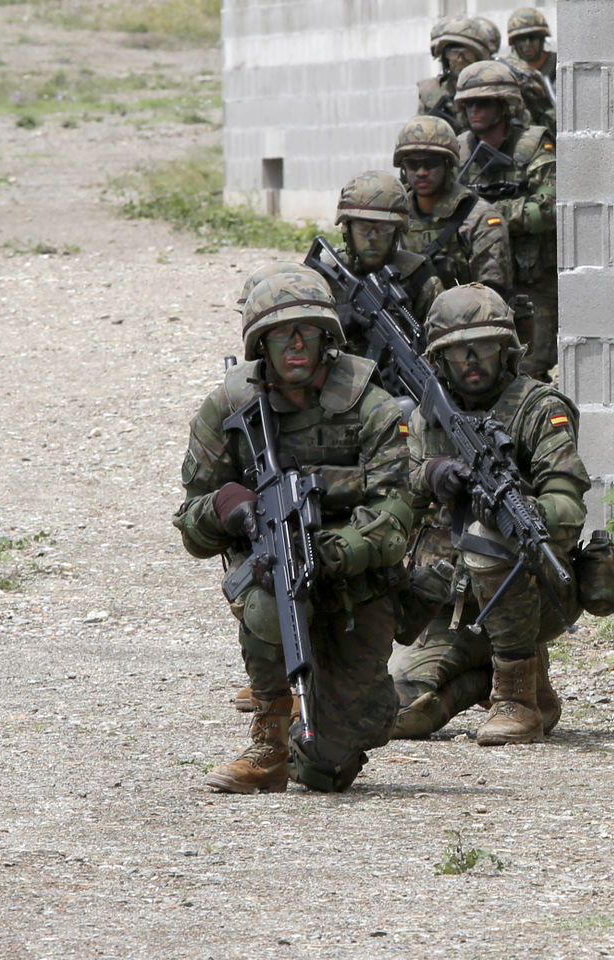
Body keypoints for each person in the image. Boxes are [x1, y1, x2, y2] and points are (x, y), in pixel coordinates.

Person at [173, 268, 415, 793]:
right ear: (262, 343)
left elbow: (396, 516)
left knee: (330, 769)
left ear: (329, 337)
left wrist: (334, 551)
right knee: (265, 597)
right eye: (282, 333)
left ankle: (319, 735)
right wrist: (228, 508)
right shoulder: (230, 406)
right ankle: (268, 739)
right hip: (273, 568)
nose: (297, 343)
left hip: (354, 581)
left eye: (308, 330)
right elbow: (191, 526)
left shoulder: (369, 405)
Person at [391, 284, 588, 744]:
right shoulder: (425, 418)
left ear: (507, 350)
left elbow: (568, 501)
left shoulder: (539, 408)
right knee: (398, 714)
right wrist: (432, 475)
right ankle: (490, 680)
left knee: (491, 532)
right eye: (460, 352)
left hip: (530, 594)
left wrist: (524, 511)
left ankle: (518, 698)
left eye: (485, 347)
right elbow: (393, 499)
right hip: (450, 604)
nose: (473, 360)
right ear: (439, 360)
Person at [454, 60, 558, 381]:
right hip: (474, 281)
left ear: (504, 105)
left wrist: (492, 215)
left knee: (528, 370)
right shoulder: (457, 150)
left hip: (530, 284)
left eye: (483, 102)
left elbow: (551, 207)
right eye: (469, 103)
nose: (475, 110)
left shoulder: (532, 144)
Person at [324, 169, 447, 353]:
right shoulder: (324, 275)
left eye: (384, 228)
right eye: (364, 227)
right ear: (347, 229)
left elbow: (445, 347)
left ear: (397, 233)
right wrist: (333, 320)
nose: (373, 237)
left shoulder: (419, 279)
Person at [394, 115, 514, 299]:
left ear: (448, 164)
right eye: (412, 164)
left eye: (431, 163)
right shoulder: (394, 215)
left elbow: (492, 299)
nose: (421, 172)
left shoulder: (480, 218)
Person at [416, 16, 492, 135]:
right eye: (454, 53)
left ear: (479, 56)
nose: (460, 60)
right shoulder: (433, 94)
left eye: (467, 53)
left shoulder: (493, 90)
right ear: (445, 58)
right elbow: (418, 136)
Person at [507, 7, 555, 81]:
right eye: (521, 38)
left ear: (542, 39)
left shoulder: (558, 66)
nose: (527, 44)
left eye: (533, 37)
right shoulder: (508, 70)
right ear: (513, 42)